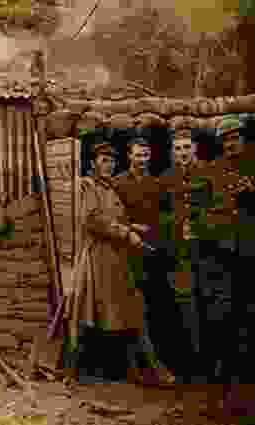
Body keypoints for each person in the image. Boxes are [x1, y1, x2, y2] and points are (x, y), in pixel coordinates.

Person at [63, 142, 147, 385]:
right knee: (88, 313)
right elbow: (93, 220)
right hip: (95, 259)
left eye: (111, 161)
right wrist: (126, 233)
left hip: (115, 260)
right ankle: (72, 371)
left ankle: (125, 370)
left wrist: (131, 227)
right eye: (103, 160)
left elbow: (112, 218)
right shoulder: (89, 187)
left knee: (120, 313)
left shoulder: (110, 190)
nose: (108, 165)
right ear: (93, 163)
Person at [194, 115, 255, 419]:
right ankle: (215, 396)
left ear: (245, 139)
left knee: (250, 328)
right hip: (217, 262)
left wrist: (254, 195)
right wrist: (216, 226)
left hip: (252, 262)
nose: (232, 143)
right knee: (218, 326)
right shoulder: (210, 172)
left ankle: (245, 397)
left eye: (237, 138)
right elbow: (197, 215)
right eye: (227, 139)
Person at [112, 137, 176, 386]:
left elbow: (165, 216)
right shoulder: (117, 183)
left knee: (154, 310)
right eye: (137, 155)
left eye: (145, 155)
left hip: (153, 255)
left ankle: (149, 366)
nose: (141, 160)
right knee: (131, 310)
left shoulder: (156, 183)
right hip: (127, 254)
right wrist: (130, 228)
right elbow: (112, 217)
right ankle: (132, 367)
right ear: (129, 156)